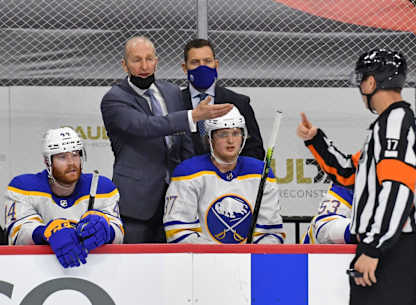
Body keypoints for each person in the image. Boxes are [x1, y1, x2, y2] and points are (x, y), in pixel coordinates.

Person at [297, 49, 416, 305]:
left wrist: (374, 248)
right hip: (399, 245)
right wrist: (316, 140)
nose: (360, 88)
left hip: (396, 248)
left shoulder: (395, 124)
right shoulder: (390, 124)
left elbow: (397, 190)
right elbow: (350, 174)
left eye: (362, 79)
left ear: (371, 82)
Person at [101, 36, 232, 243]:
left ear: (156, 61)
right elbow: (145, 126)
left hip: (176, 199)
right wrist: (192, 116)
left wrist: (190, 181)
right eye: (136, 60)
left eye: (149, 59)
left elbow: (185, 142)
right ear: (124, 64)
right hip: (137, 203)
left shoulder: (171, 92)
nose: (144, 66)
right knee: (136, 267)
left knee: (173, 267)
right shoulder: (115, 98)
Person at [4, 127, 123, 268]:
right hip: (35, 269)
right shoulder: (23, 187)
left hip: (94, 268)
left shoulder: (102, 187)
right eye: (62, 157)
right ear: (48, 162)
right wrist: (45, 233)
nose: (71, 162)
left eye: (75, 154)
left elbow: (119, 236)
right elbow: (16, 235)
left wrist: (105, 230)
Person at [163, 107, 285, 244]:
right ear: (210, 139)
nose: (231, 141)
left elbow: (271, 233)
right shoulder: (189, 172)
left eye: (236, 133)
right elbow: (178, 232)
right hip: (201, 262)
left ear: (243, 137)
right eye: (223, 134)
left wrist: (251, 256)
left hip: (247, 262)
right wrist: (220, 258)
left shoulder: (260, 173)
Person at [181, 38, 265, 160]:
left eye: (207, 61)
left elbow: (255, 150)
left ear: (216, 65)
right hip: (187, 177)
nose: (202, 67)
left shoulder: (238, 103)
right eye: (195, 62)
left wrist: (229, 169)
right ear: (185, 67)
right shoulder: (173, 102)